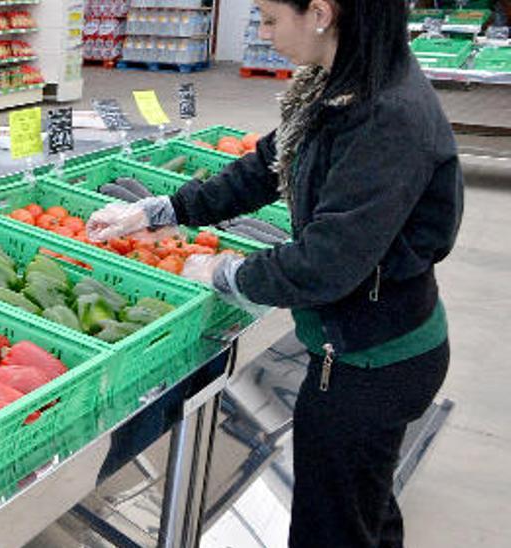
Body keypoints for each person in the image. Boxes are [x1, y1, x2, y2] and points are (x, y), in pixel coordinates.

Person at [86, 0, 463, 546]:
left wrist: (221, 271)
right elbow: (265, 166)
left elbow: (325, 263)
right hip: (362, 344)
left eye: (267, 19)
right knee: (363, 505)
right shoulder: (338, 85)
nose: (263, 34)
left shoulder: (388, 116)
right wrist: (164, 210)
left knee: (330, 527)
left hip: (370, 361)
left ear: (320, 13)